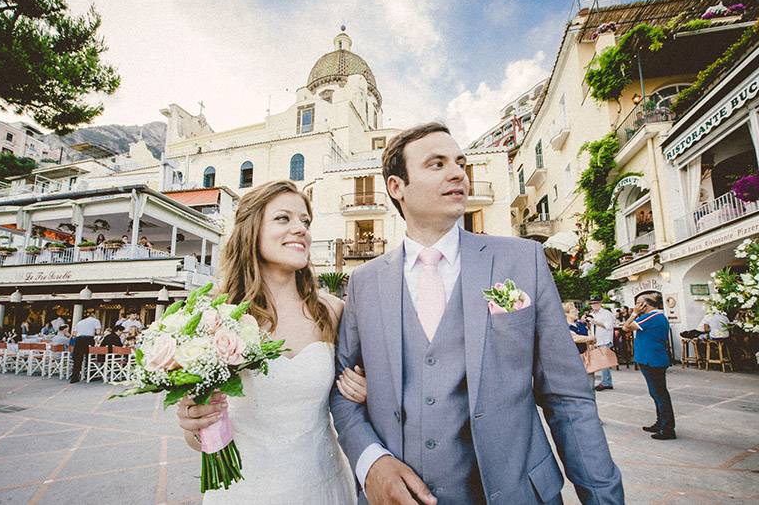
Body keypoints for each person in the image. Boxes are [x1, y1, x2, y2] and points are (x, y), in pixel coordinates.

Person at [331, 123, 622, 504]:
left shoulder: (522, 261)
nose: (457, 173)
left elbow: (568, 397)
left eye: (460, 163)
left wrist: (603, 499)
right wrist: (371, 462)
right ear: (396, 187)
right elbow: (342, 394)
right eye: (436, 164)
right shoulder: (364, 282)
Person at [174, 180, 367, 504]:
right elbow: (201, 434)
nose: (300, 229)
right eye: (283, 219)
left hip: (323, 485)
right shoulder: (216, 314)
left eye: (305, 221)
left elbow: (355, 394)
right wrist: (193, 423)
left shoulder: (331, 311)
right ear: (253, 230)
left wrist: (363, 390)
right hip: (244, 491)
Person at [623, 292, 676, 440]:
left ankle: (667, 428)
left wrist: (634, 314)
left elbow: (626, 327)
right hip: (651, 359)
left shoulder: (652, 316)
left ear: (644, 305)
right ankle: (661, 423)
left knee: (659, 394)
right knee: (657, 393)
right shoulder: (655, 317)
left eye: (638, 303)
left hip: (652, 360)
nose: (636, 306)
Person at [564, 302, 596, 392]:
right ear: (566, 313)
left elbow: (591, 339)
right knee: (576, 386)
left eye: (577, 310)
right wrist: (589, 338)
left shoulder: (581, 325)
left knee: (590, 385)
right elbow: (574, 338)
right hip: (573, 358)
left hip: (586, 356)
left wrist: (590, 339)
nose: (577, 312)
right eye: (574, 311)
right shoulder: (564, 327)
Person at [589, 296, 617, 391]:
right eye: (592, 303)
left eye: (596, 303)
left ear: (600, 303)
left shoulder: (606, 313)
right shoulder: (591, 314)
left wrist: (596, 322)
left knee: (604, 363)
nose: (594, 305)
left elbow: (608, 326)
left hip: (605, 340)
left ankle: (606, 382)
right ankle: (607, 382)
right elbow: (591, 327)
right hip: (596, 341)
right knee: (602, 363)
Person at [69, 309, 101, 383]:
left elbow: (74, 333)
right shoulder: (96, 321)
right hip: (88, 339)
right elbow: (98, 332)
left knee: (77, 359)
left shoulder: (80, 322)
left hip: (79, 339)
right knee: (90, 358)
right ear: (94, 315)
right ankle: (90, 375)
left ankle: (75, 377)